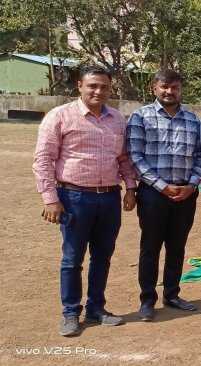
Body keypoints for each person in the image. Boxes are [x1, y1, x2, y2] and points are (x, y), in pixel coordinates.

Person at [33, 66, 138, 336]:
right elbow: (43, 160)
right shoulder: (60, 116)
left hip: (109, 198)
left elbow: (124, 158)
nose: (98, 91)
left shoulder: (117, 119)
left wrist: (130, 188)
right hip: (74, 197)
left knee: (102, 256)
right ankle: (70, 312)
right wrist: (50, 199)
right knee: (72, 259)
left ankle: (96, 308)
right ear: (80, 85)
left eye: (104, 87)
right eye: (92, 86)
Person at [127, 69, 201, 321]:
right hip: (153, 193)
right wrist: (161, 185)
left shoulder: (193, 120)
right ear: (154, 88)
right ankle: (147, 300)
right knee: (150, 247)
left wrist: (192, 185)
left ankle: (172, 293)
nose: (170, 92)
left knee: (177, 246)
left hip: (185, 193)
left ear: (181, 90)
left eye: (175, 87)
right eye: (165, 87)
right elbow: (135, 156)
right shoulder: (141, 117)